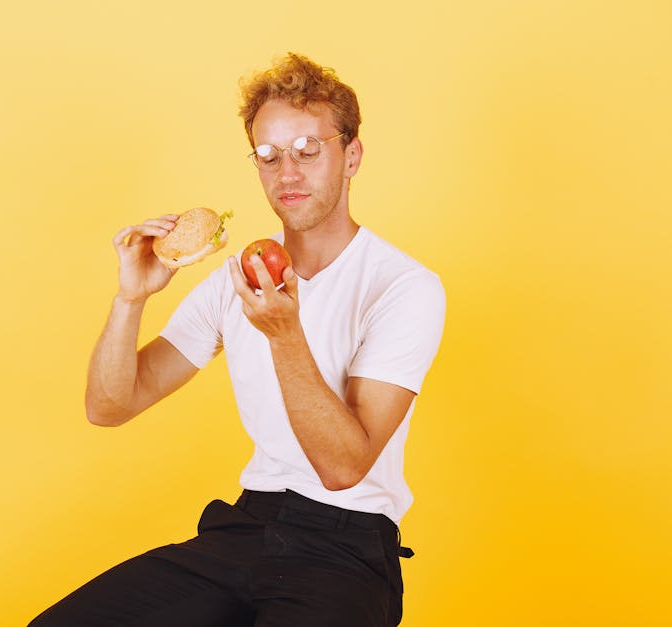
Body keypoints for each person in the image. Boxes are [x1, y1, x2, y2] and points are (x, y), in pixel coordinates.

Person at [28, 53, 446, 627]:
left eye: (307, 150)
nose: (287, 174)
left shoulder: (404, 287)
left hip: (347, 549)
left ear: (351, 156)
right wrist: (132, 298)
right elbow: (110, 405)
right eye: (268, 157)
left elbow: (343, 468)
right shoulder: (237, 280)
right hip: (245, 529)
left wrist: (284, 335)